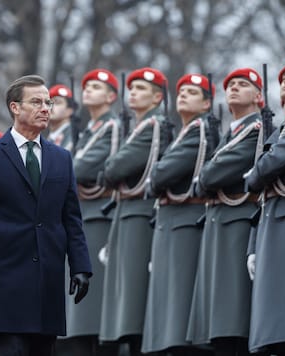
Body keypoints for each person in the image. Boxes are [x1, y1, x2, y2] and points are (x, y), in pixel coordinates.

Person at [0, 74, 92, 356]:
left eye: (48, 102)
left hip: (49, 276)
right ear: (15, 107)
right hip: (8, 274)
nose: (45, 108)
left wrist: (81, 265)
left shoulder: (61, 158)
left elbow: (71, 217)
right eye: (36, 102)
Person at [185, 68, 264, 356]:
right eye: (230, 84)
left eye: (243, 85)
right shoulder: (233, 131)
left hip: (237, 225)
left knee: (235, 323)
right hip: (220, 225)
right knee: (220, 329)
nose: (233, 88)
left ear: (259, 96)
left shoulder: (257, 129)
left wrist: (204, 178)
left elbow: (209, 176)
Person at [141, 74, 218, 355]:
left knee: (178, 316)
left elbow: (160, 173)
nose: (183, 95)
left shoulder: (200, 130)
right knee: (167, 316)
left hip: (185, 223)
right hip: (170, 222)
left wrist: (157, 174)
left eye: (193, 92)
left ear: (207, 103)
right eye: (181, 91)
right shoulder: (187, 132)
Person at [99, 67, 173, 356]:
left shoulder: (154, 127)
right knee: (125, 309)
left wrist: (111, 170)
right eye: (131, 88)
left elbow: (113, 169)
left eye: (141, 89)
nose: (133, 93)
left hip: (140, 216)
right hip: (127, 214)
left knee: (134, 307)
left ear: (157, 96)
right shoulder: (142, 128)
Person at [57, 68, 121, 356]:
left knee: (92, 310)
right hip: (81, 216)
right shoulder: (89, 131)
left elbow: (80, 168)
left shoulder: (112, 128)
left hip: (98, 217)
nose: (89, 90)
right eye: (87, 86)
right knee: (79, 314)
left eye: (96, 86)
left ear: (111, 96)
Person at [245, 61, 285, 355]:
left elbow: (267, 167)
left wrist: (254, 175)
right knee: (279, 332)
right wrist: (252, 246)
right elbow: (264, 194)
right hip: (275, 225)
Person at [46, 84, 76, 151]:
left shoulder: (74, 137)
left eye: (57, 103)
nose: (51, 106)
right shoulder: (49, 137)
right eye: (48, 103)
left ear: (69, 111)